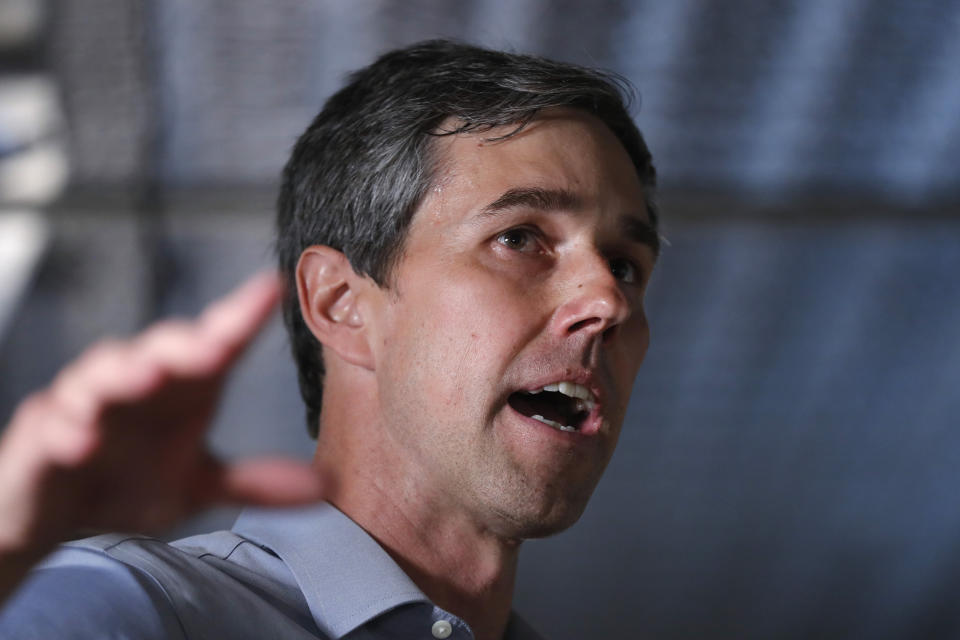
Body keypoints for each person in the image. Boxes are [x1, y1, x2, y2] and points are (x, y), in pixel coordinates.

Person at [0, 39, 660, 639]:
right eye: (519, 238)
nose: (608, 301)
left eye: (626, 265)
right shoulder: (136, 610)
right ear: (341, 304)